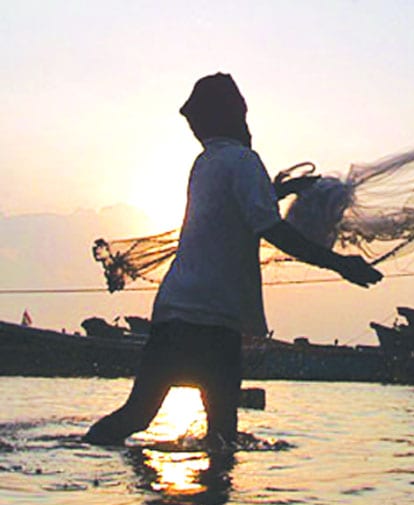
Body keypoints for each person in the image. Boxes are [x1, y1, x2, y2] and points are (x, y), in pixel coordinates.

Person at [84, 73, 382, 447]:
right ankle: (214, 504)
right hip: (212, 319)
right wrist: (340, 264)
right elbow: (270, 228)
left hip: (175, 311)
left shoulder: (206, 162)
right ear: (233, 116)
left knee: (138, 415)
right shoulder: (243, 161)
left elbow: (232, 210)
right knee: (222, 434)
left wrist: (280, 189)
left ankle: (80, 452)